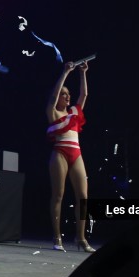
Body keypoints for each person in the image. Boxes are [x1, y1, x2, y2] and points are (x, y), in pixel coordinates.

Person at [47, 60, 95, 252]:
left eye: (68, 94)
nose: (67, 96)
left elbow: (84, 94)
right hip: (60, 153)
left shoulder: (74, 112)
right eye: (64, 94)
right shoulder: (53, 112)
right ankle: (57, 237)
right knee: (58, 195)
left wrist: (83, 73)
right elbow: (53, 96)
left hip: (76, 154)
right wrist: (66, 72)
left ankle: (81, 238)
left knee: (83, 197)